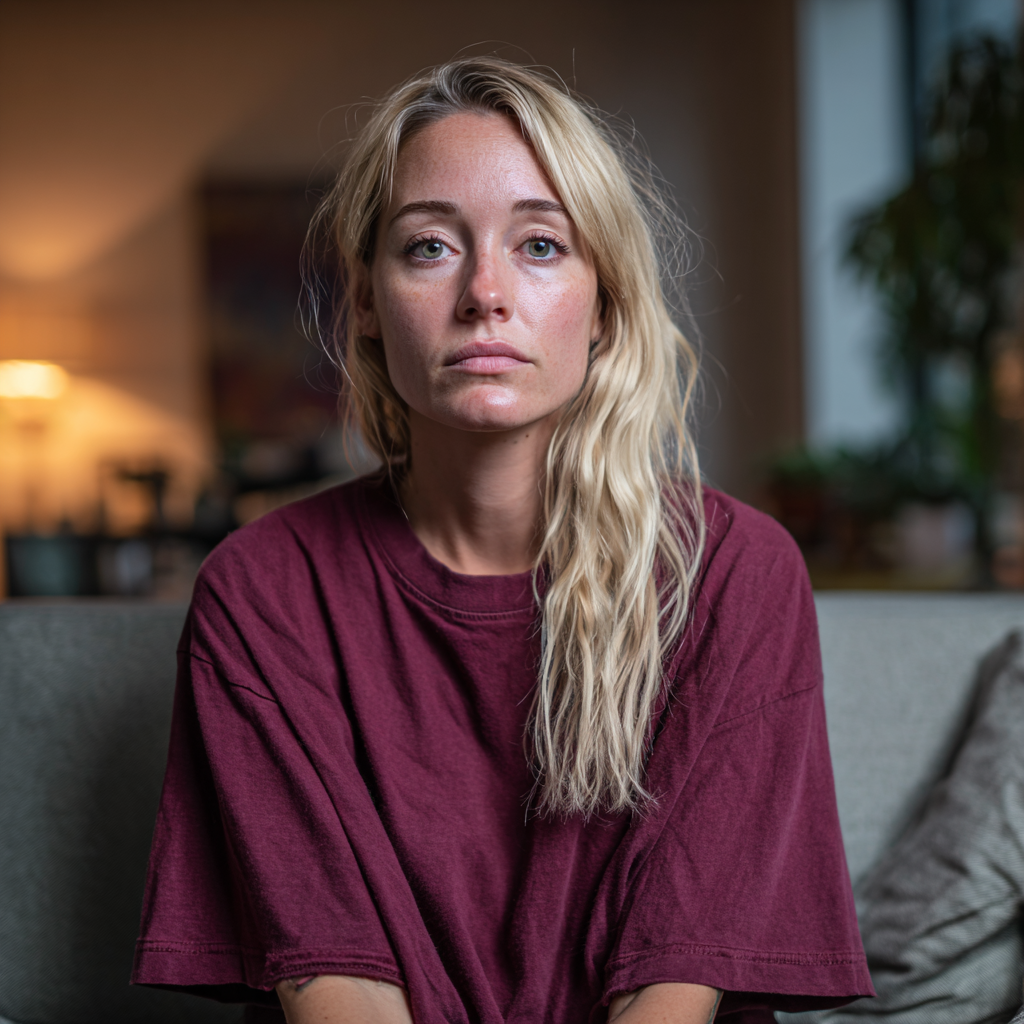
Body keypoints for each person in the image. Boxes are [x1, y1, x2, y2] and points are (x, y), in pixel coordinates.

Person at [132, 57, 873, 1024]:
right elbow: (339, 988)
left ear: (602, 302)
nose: (486, 292)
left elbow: (671, 990)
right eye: (430, 247)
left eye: (539, 246)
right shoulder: (263, 591)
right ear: (364, 300)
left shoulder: (733, 573)